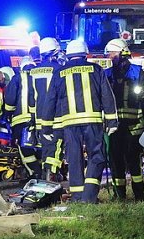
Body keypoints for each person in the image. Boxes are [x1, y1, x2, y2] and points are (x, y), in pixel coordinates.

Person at [39, 38, 118, 203]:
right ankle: (89, 196)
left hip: (69, 124)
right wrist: (111, 121)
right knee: (97, 156)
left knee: (74, 158)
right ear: (85, 54)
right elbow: (107, 95)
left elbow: (50, 101)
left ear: (68, 55)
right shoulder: (96, 69)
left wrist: (46, 128)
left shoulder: (59, 72)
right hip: (93, 121)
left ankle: (77, 196)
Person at [104, 38, 144, 200]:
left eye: (112, 53)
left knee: (133, 161)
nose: (109, 56)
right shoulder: (107, 74)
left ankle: (139, 194)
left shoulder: (136, 71)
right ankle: (120, 195)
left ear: (122, 52)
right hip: (115, 126)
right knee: (116, 161)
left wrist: (143, 94)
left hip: (134, 126)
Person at [30, 37, 64, 180]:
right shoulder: (59, 70)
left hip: (39, 118)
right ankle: (52, 175)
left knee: (46, 149)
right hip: (55, 117)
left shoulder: (33, 71)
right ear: (53, 53)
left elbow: (32, 97)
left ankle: (47, 174)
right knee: (56, 148)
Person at [5, 56, 39, 178]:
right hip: (41, 120)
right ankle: (45, 172)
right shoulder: (40, 75)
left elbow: (9, 100)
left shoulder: (18, 77)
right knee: (39, 147)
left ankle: (34, 173)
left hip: (22, 120)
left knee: (25, 149)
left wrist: (7, 114)